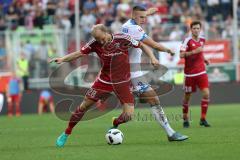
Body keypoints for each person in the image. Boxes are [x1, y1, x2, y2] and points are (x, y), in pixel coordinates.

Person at [50, 24, 156, 147]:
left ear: (107, 32)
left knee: (128, 116)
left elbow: (142, 45)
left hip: (123, 83)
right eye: (97, 39)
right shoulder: (94, 43)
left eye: (102, 38)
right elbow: (79, 53)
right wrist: (63, 59)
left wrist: (153, 58)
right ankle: (66, 133)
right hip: (104, 81)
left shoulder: (123, 38)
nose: (101, 41)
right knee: (84, 106)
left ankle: (115, 122)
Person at [121, 5, 188, 141]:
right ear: (133, 16)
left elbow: (141, 17)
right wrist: (169, 50)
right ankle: (170, 133)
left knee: (146, 101)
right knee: (152, 100)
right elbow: (154, 45)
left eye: (145, 17)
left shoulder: (127, 24)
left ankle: (116, 124)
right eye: (141, 17)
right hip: (130, 73)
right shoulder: (135, 29)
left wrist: (149, 12)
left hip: (131, 72)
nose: (144, 20)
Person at [180, 21, 211, 128]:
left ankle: (203, 119)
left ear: (200, 29)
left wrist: (205, 59)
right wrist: (193, 52)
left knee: (206, 94)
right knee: (187, 97)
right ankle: (185, 119)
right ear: (191, 29)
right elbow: (181, 55)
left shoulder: (203, 40)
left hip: (201, 72)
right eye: (194, 28)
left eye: (198, 28)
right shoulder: (187, 41)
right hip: (189, 75)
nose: (196, 30)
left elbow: (200, 52)